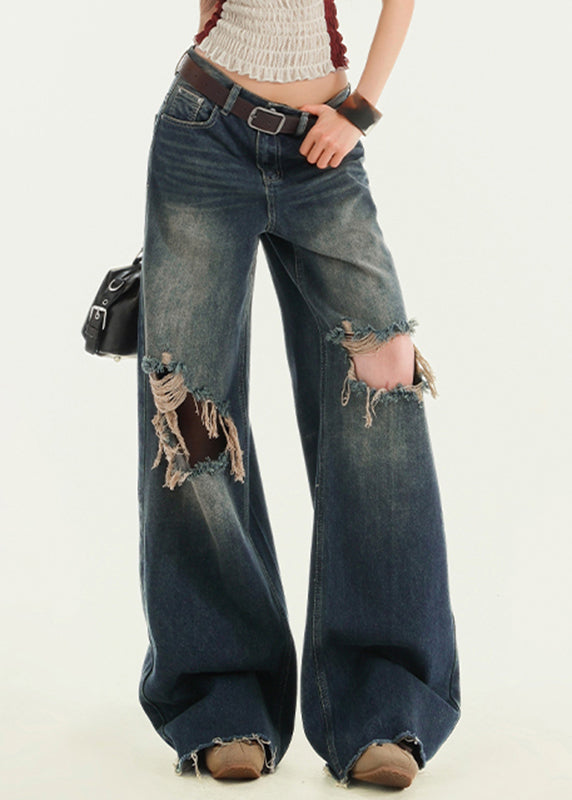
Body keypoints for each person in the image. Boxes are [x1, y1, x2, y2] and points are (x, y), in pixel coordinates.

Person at [136, 0, 461, 790]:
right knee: (190, 417)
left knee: (384, 386)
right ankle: (223, 700)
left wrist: (361, 108)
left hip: (324, 148)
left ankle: (382, 707)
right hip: (203, 131)